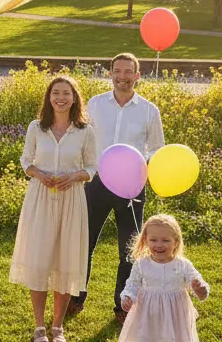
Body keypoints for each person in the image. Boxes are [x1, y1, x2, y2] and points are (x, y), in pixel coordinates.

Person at [68, 53, 165, 321]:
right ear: (110, 73)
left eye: (128, 71)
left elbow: (157, 149)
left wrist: (145, 169)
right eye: (117, 70)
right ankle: (76, 298)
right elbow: (83, 140)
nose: (122, 76)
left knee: (129, 249)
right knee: (83, 244)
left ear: (137, 75)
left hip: (132, 188)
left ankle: (122, 306)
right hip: (96, 183)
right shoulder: (96, 104)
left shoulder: (149, 110)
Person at [9, 76, 97, 342]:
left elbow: (92, 167)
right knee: (40, 260)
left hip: (72, 200)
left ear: (74, 98)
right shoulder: (37, 127)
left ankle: (57, 326)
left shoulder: (85, 131)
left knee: (65, 260)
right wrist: (38, 173)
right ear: (49, 97)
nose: (61, 97)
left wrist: (75, 176)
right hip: (40, 197)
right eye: (55, 92)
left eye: (66, 93)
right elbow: (26, 160)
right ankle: (39, 326)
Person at [119, 214, 208, 342]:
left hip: (175, 315)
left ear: (176, 242)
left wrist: (200, 289)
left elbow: (196, 281)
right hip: (147, 313)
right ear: (146, 240)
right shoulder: (141, 264)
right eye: (153, 240)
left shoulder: (183, 264)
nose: (159, 245)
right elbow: (133, 284)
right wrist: (128, 296)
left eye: (165, 240)